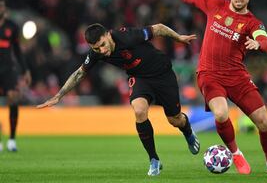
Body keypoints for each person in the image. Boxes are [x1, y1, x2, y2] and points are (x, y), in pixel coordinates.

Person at [164, 0, 267, 174]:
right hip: (209, 74)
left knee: (263, 121)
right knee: (221, 114)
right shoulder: (214, 5)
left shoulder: (253, 23)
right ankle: (236, 154)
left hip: (237, 76)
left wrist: (258, 44)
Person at [37, 23, 200, 176]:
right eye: (96, 48)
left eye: (102, 44)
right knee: (139, 110)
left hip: (163, 74)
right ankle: (154, 159)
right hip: (140, 78)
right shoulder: (96, 54)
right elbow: (80, 73)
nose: (101, 50)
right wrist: (58, 96)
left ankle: (187, 131)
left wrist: (178, 37)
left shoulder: (128, 36)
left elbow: (157, 28)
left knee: (174, 119)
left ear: (108, 35)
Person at [0, 0, 32, 152]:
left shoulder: (11, 26)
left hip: (7, 69)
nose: (1, 9)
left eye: (2, 6)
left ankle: (12, 139)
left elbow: (18, 50)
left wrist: (25, 70)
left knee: (13, 98)